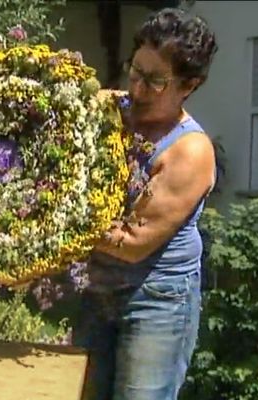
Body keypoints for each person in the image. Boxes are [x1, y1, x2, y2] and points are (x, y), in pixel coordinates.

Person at [72, 7, 218, 400]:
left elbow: (133, 243)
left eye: (155, 81)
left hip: (157, 300)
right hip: (99, 288)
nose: (136, 89)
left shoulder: (190, 151)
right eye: (135, 71)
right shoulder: (111, 110)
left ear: (189, 85)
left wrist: (55, 224)